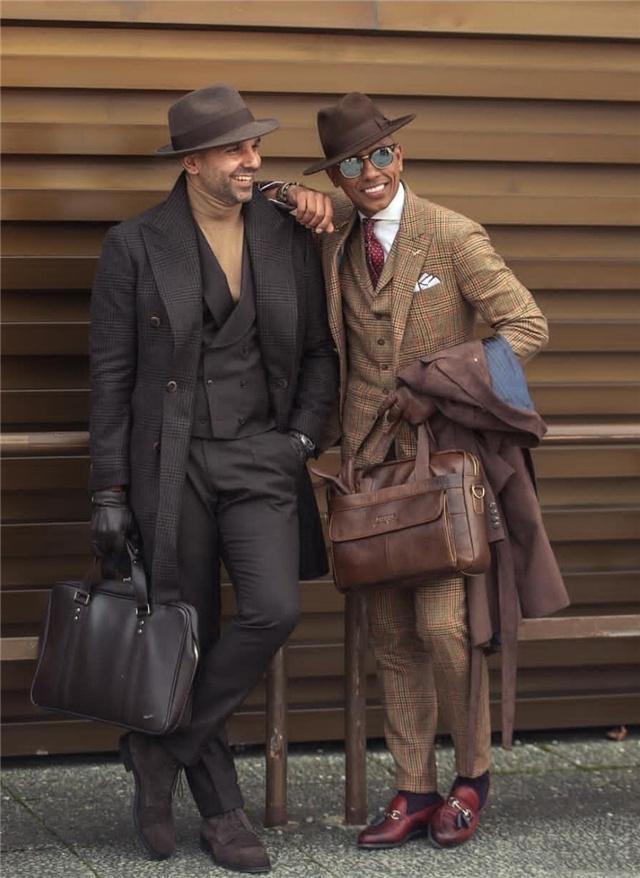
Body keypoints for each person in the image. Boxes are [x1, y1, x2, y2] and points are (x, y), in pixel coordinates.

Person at [275, 92, 567, 850]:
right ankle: (414, 787)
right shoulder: (336, 241)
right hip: (367, 471)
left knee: (444, 627)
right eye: (351, 164)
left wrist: (438, 383)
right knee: (391, 636)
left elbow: (527, 325)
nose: (370, 172)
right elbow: (259, 202)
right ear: (337, 177)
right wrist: (286, 192)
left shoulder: (452, 234)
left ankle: (471, 777)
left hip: (440, 470)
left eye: (380, 155)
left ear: (399, 156)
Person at [89, 83, 338, 874]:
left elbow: (320, 353)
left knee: (273, 609)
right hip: (173, 466)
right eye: (235, 150)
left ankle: (158, 748)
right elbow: (111, 376)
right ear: (192, 162)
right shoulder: (135, 245)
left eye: (254, 147)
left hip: (262, 456)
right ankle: (225, 815)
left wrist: (300, 440)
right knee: (187, 635)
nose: (252, 160)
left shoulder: (284, 230)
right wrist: (108, 492)